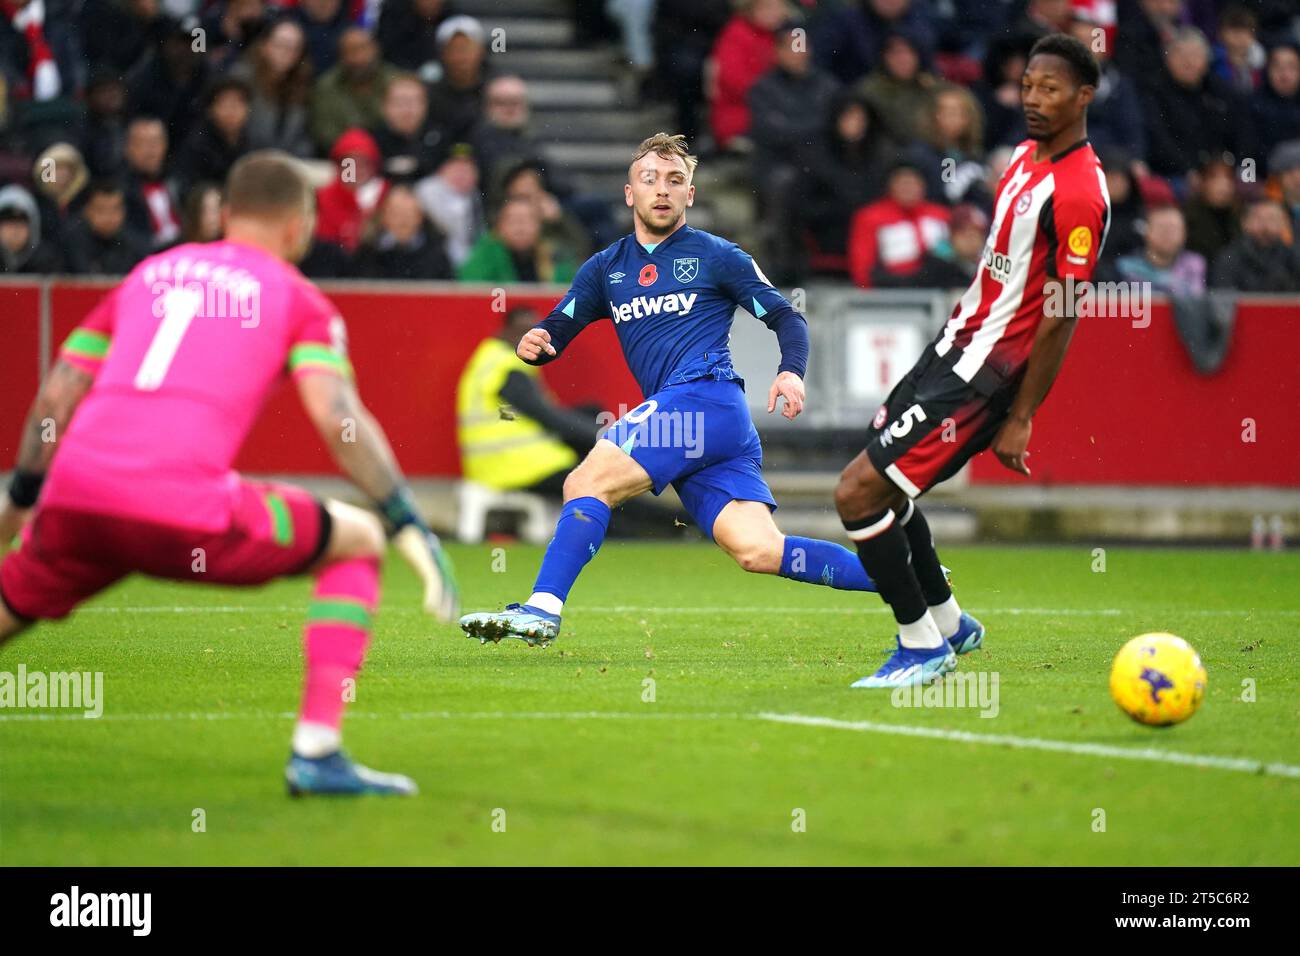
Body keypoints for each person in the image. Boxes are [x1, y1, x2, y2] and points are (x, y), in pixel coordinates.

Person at [0, 150, 458, 796]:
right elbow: (336, 418)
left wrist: (21, 496)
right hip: (180, 510)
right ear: (298, 226)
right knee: (357, 538)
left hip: (75, 499)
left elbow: (56, 396)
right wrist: (405, 516)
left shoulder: (150, 273)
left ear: (226, 214)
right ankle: (317, 752)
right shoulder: (298, 298)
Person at [458, 133, 880, 648]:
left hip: (704, 399)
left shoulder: (718, 256)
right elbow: (556, 331)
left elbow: (786, 317)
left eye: (675, 180)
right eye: (650, 179)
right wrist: (537, 342)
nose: (663, 189)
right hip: (709, 427)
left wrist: (791, 370)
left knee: (586, 482)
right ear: (629, 193)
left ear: (691, 195)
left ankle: (542, 608)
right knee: (758, 550)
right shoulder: (605, 269)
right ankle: (908, 581)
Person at [833, 34, 1110, 688]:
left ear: (1085, 96)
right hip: (950, 347)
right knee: (886, 491)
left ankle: (920, 645)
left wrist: (1021, 417)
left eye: (1051, 88)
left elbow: (1062, 313)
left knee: (856, 493)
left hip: (984, 378)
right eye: (1028, 85)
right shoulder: (1018, 157)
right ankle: (951, 623)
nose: (1035, 99)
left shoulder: (1079, 194)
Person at [456, 305, 591, 498]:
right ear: (505, 332)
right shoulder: (507, 368)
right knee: (595, 484)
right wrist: (605, 438)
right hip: (517, 467)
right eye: (524, 332)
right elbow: (549, 417)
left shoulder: (492, 358)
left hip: (502, 464)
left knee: (591, 413)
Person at [457, 196, 576, 284]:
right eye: (513, 221)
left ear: (539, 226)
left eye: (527, 220)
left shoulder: (553, 255)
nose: (520, 227)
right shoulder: (484, 254)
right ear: (500, 227)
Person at [1210, 197, 1300, 292]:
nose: (1266, 225)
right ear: (1244, 223)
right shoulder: (1229, 257)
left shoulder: (1293, 257)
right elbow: (1222, 298)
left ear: (1284, 223)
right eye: (1259, 218)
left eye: (1272, 219)